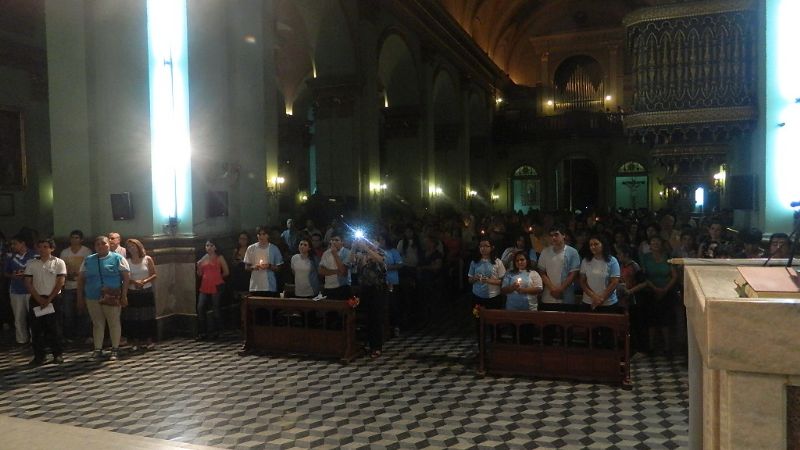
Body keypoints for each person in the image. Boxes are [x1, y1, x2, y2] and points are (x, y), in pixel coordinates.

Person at [77, 235, 130, 361]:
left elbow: (126, 278)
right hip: (92, 296)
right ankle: (98, 349)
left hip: (112, 295)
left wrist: (124, 295)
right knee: (97, 324)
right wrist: (80, 297)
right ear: (95, 247)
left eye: (103, 244)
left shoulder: (118, 258)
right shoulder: (88, 260)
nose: (101, 246)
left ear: (109, 245)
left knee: (113, 322)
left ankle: (115, 349)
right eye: (98, 244)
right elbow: (81, 279)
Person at [24, 238, 67, 365]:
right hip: (37, 298)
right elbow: (28, 282)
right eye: (40, 247)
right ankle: (39, 356)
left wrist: (48, 299)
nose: (43, 249)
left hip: (53, 299)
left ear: (52, 248)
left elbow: (60, 282)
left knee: (55, 328)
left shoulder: (58, 262)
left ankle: (57, 354)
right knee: (37, 329)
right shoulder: (32, 263)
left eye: (46, 246)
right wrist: (38, 298)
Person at [638, 236, 679, 354]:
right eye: (653, 243)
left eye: (658, 243)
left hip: (667, 291)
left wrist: (665, 289)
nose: (655, 245)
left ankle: (667, 347)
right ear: (649, 246)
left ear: (662, 244)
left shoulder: (668, 257)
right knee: (651, 320)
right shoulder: (645, 258)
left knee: (665, 319)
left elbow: (674, 276)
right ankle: (651, 346)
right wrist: (655, 288)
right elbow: (644, 276)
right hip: (650, 291)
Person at [350, 234, 387, 358]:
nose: (370, 244)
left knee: (375, 318)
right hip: (364, 289)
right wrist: (354, 248)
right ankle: (366, 344)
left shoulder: (380, 253)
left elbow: (380, 260)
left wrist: (366, 248)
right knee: (366, 318)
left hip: (376, 290)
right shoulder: (362, 256)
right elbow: (351, 262)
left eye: (372, 243)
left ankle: (376, 347)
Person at [123, 238, 157, 350]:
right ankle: (135, 341)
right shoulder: (126, 261)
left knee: (147, 315)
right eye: (129, 247)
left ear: (138, 247)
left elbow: (154, 275)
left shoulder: (147, 259)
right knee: (134, 316)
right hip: (132, 291)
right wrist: (134, 282)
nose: (131, 248)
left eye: (133, 246)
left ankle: (149, 340)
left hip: (146, 290)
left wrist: (144, 281)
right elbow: (125, 277)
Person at [537, 225, 580, 311]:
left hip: (566, 296)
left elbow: (573, 274)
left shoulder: (572, 252)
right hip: (548, 295)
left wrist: (560, 290)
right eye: (551, 235)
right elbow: (542, 272)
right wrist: (553, 289)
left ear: (564, 235)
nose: (553, 237)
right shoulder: (545, 251)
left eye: (556, 235)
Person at [59, 229, 92, 342]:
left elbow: (88, 267)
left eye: (77, 237)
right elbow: (61, 267)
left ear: (81, 239)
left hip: (83, 285)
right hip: (69, 285)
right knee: (68, 312)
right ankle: (69, 335)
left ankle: (84, 334)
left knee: (84, 311)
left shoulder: (87, 251)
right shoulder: (64, 252)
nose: (74, 240)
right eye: (72, 237)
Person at [4, 234, 35, 345]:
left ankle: (35, 340)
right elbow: (5, 272)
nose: (13, 246)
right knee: (18, 317)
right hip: (16, 290)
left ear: (23, 243)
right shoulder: (10, 257)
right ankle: (21, 340)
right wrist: (12, 276)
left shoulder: (34, 255)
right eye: (12, 244)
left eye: (15, 243)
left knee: (33, 316)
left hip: (31, 290)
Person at [196, 240, 230, 340]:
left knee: (216, 308)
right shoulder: (204, 258)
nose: (209, 247)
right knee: (200, 307)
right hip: (204, 286)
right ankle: (202, 332)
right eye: (207, 245)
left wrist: (218, 277)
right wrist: (198, 267)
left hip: (216, 285)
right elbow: (200, 274)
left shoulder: (219, 257)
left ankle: (217, 331)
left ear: (215, 247)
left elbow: (226, 272)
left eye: (211, 245)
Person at [578, 235, 621, 311]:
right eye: (591, 245)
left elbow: (614, 282)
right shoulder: (585, 261)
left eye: (596, 244)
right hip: (588, 301)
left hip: (608, 303)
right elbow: (582, 281)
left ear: (603, 245)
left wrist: (601, 298)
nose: (593, 247)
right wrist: (594, 296)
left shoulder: (612, 261)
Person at [243, 226, 284, 297]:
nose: (261, 236)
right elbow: (246, 267)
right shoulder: (251, 248)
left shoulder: (274, 249)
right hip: (255, 286)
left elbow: (279, 268)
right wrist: (254, 267)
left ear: (268, 235)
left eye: (264, 234)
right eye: (259, 234)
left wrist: (269, 266)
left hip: (269, 286)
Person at [468, 239, 506, 311]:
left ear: (492, 248)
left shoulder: (497, 262)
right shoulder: (474, 262)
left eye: (486, 246)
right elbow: (469, 280)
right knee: (478, 317)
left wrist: (488, 280)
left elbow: (503, 281)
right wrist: (474, 278)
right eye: (481, 246)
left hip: (493, 296)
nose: (483, 248)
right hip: (477, 295)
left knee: (492, 319)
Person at [319, 231, 352, 300]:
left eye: (336, 240)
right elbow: (321, 271)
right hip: (328, 287)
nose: (333, 242)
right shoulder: (326, 253)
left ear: (342, 242)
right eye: (332, 240)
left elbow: (343, 272)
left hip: (342, 287)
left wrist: (334, 253)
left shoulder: (347, 253)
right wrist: (336, 272)